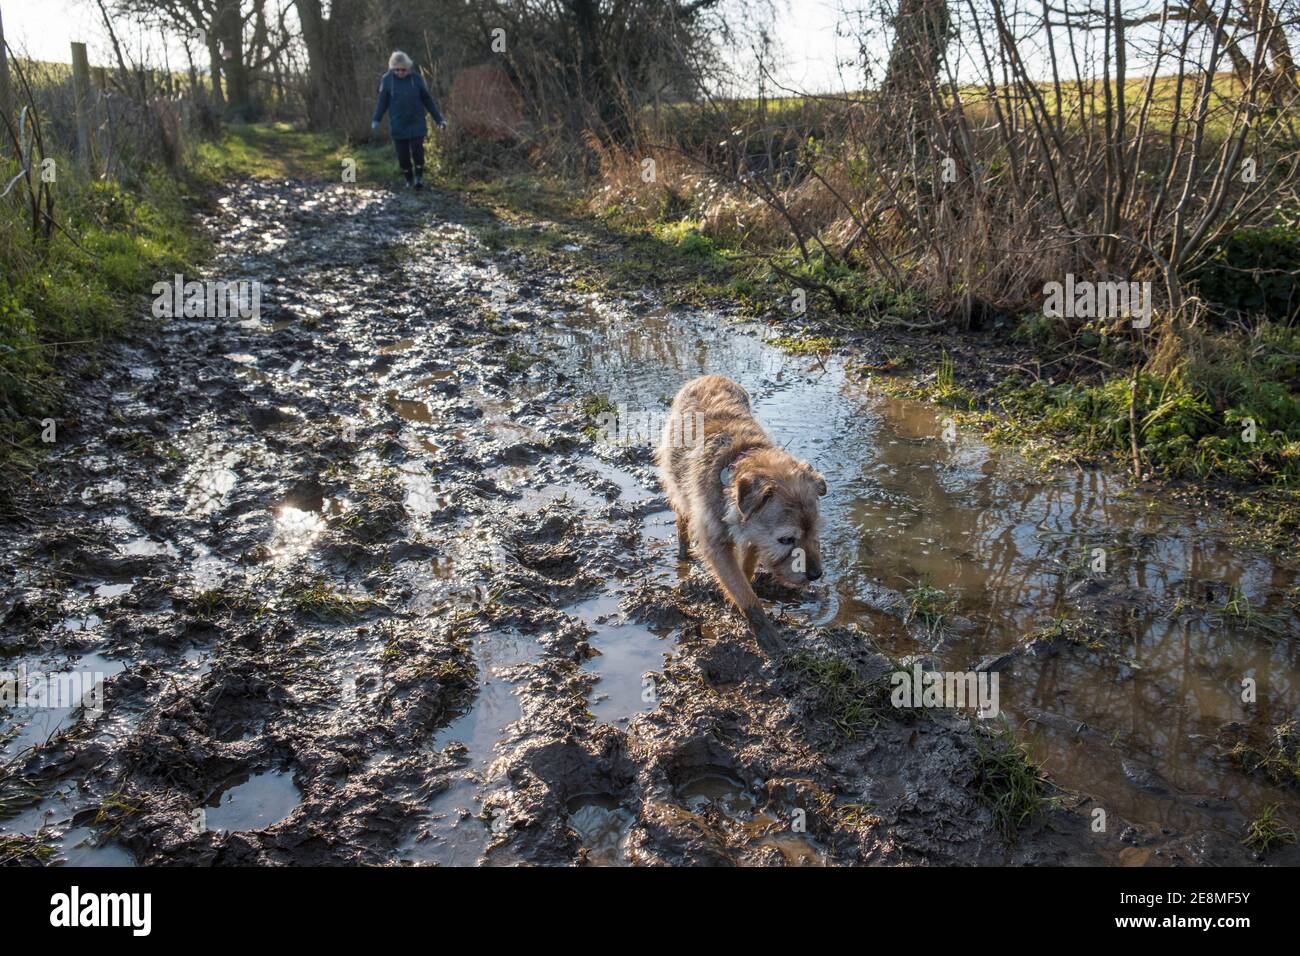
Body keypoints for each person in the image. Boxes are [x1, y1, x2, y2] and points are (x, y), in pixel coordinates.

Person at [371, 51, 447, 190]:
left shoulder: (416, 79)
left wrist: (439, 119)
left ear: (408, 68)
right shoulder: (387, 80)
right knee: (403, 156)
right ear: (393, 68)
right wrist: (376, 119)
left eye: (403, 69)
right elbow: (382, 102)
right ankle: (409, 178)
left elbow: (428, 100)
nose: (400, 72)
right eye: (397, 70)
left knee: (418, 152)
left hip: (416, 122)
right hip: (398, 123)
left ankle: (419, 177)